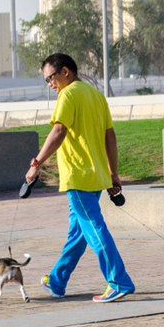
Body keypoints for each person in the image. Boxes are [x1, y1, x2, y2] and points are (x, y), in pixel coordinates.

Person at [25, 53, 135, 303]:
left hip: (78, 176)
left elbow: (59, 130)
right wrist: (113, 173)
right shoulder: (96, 95)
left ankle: (119, 281)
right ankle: (57, 280)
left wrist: (36, 163)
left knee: (95, 231)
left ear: (65, 72)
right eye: (46, 80)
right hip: (96, 177)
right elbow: (111, 137)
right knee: (78, 233)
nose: (50, 84)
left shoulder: (69, 94)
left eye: (50, 77)